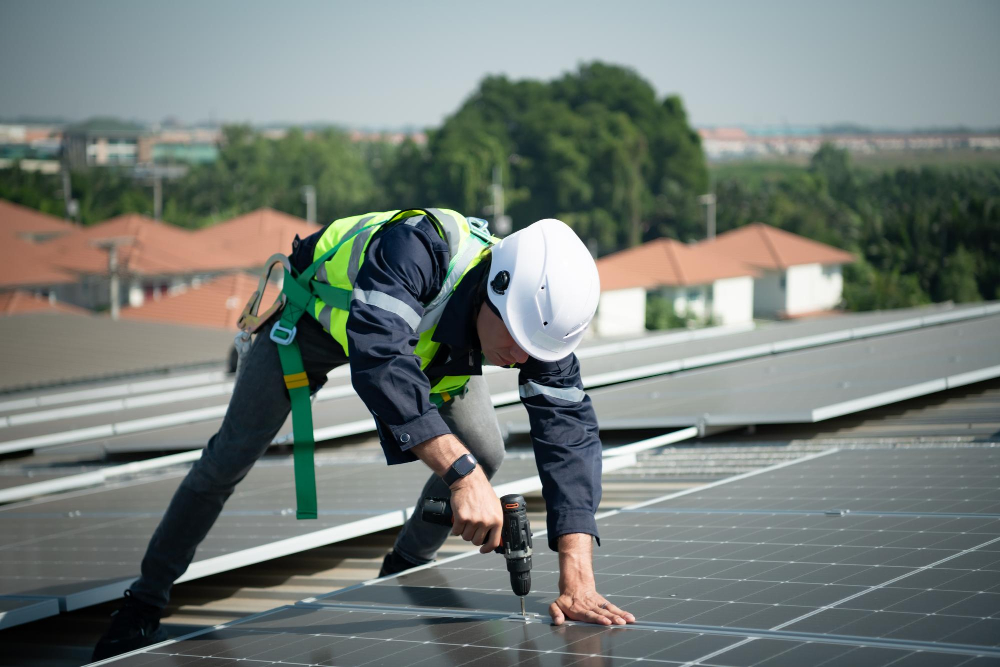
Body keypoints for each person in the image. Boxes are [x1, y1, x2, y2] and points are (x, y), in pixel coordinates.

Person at [92, 208, 635, 661]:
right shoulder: (419, 249)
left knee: (486, 450)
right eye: (515, 341)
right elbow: (378, 359)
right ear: (495, 287)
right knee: (226, 460)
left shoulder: (534, 324)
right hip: (314, 321)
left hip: (420, 349)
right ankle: (143, 601)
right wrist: (459, 474)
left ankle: (400, 572)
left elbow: (568, 434)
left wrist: (577, 575)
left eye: (533, 353)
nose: (520, 359)